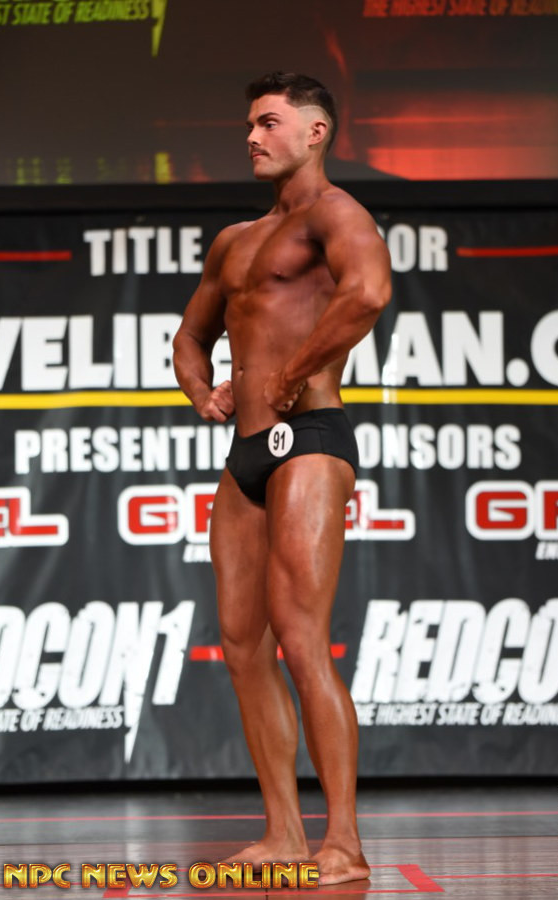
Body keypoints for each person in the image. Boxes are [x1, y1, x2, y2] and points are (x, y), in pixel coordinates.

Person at [173, 72, 391, 886]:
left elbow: (368, 293)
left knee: (301, 638)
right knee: (241, 646)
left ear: (315, 131)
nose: (253, 137)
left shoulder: (337, 215)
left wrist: (294, 374)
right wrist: (204, 392)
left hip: (311, 440)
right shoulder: (234, 240)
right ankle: (283, 834)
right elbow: (190, 337)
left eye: (269, 123)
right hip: (247, 455)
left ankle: (344, 842)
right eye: (250, 125)